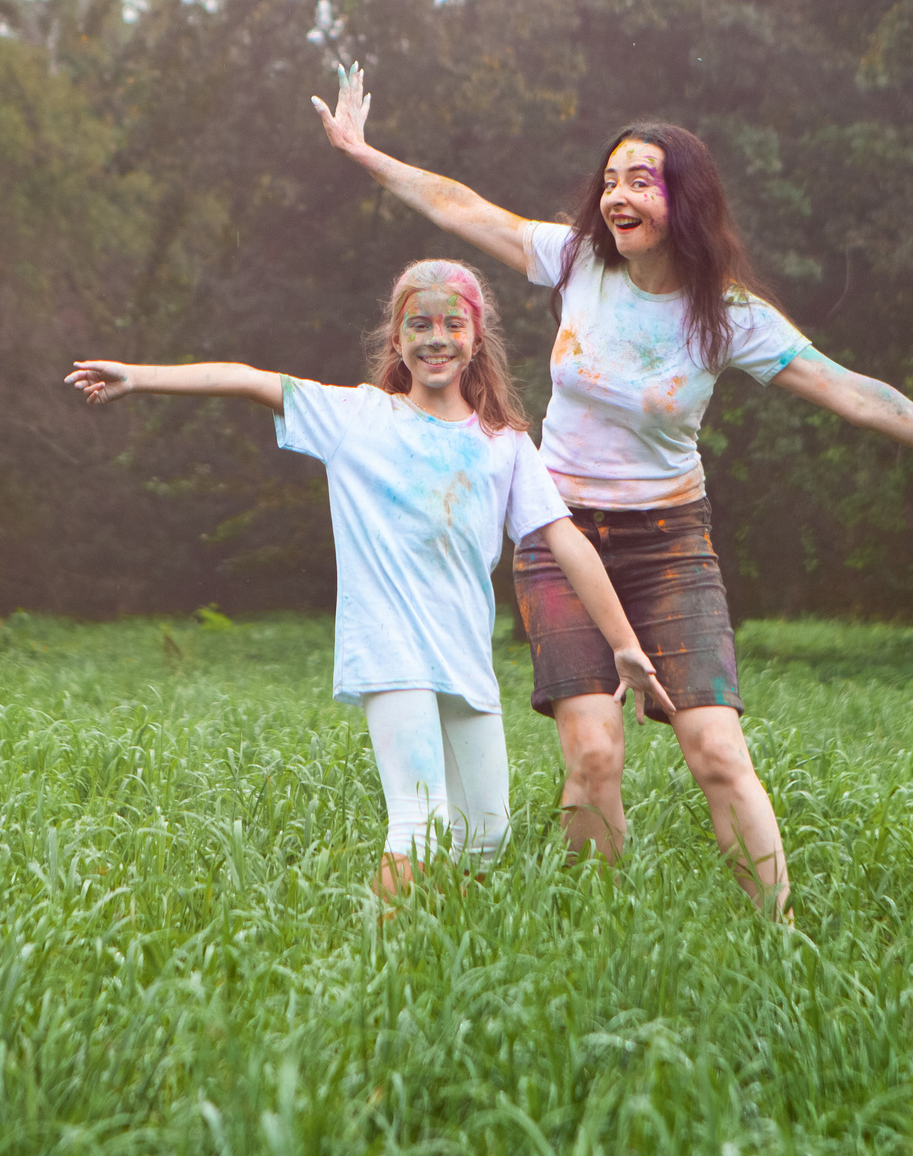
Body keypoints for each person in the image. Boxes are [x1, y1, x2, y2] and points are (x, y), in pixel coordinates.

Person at [311, 67, 913, 915]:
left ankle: (780, 935)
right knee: (593, 754)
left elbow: (851, 390)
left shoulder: (731, 315)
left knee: (716, 749)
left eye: (639, 180)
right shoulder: (576, 262)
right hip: (561, 536)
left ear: (685, 198)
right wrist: (365, 154)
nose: (616, 195)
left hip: (671, 544)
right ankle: (594, 932)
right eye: (609, 180)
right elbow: (464, 208)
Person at [67, 258, 672, 904]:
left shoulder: (504, 443)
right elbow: (246, 379)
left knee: (487, 833)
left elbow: (566, 541)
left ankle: (441, 944)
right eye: (419, 324)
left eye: (452, 324)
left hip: (464, 655)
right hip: (389, 648)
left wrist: (623, 643)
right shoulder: (356, 417)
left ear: (475, 339)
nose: (435, 337)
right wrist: (138, 376)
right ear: (397, 339)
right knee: (420, 822)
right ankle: (382, 956)